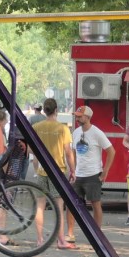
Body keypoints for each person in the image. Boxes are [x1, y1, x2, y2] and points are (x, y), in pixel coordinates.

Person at [32, 98, 76, 249]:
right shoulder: (63, 129)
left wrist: (36, 167)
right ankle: (61, 240)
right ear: (56, 110)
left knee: (40, 206)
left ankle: (39, 240)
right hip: (58, 172)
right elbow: (68, 152)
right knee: (58, 206)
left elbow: (32, 151)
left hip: (42, 171)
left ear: (44, 110)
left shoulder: (37, 126)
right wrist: (73, 170)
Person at [69, 105, 115, 230]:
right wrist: (73, 170)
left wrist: (105, 172)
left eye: (79, 117)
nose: (77, 119)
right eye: (76, 116)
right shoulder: (76, 132)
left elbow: (111, 151)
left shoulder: (97, 133)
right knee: (72, 204)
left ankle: (97, 232)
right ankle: (70, 232)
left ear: (88, 117)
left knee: (95, 204)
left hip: (93, 174)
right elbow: (73, 151)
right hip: (79, 174)